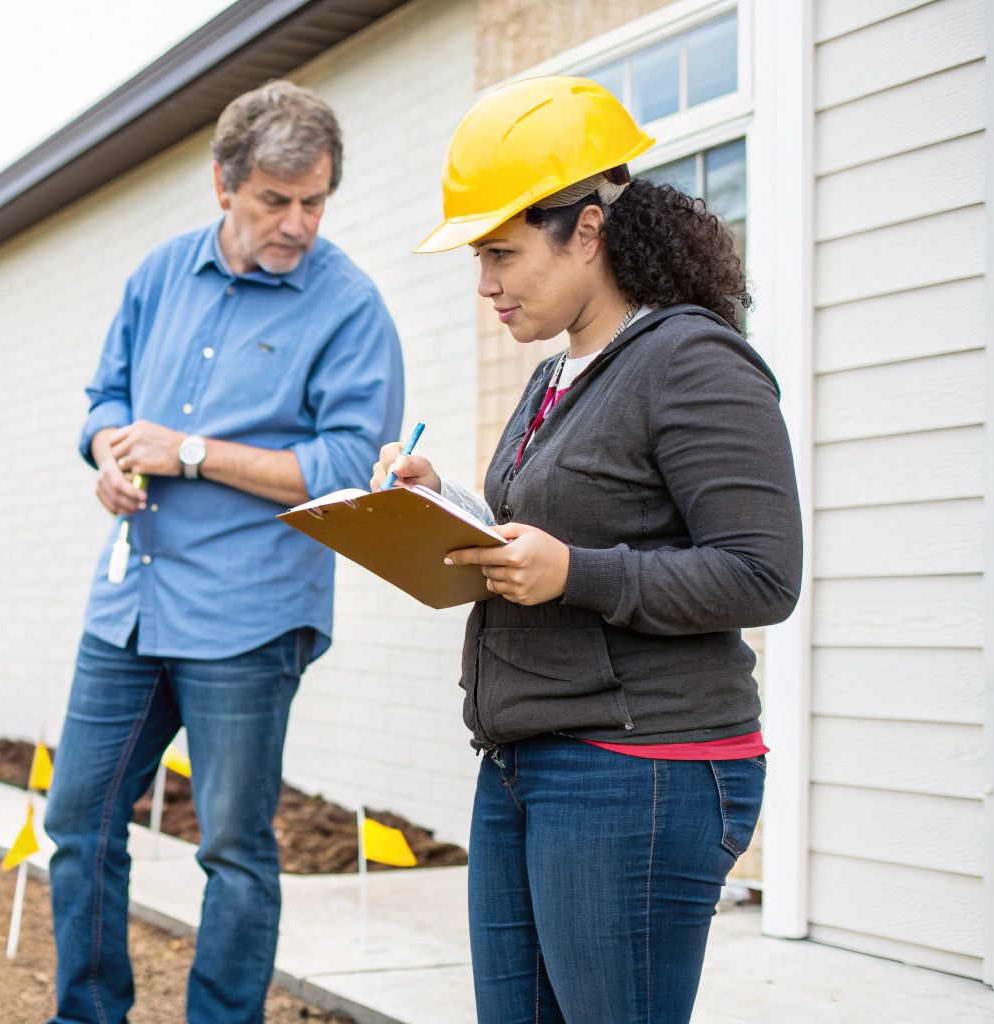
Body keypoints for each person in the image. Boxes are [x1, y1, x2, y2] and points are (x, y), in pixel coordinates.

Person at [373, 76, 801, 1023]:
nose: (485, 284)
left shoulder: (692, 360)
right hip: (527, 757)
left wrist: (575, 572)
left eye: (501, 254)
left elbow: (763, 573)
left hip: (642, 769)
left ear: (590, 231)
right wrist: (442, 504)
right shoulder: (559, 373)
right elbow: (573, 523)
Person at [45, 80, 404, 1024]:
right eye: (274, 200)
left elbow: (349, 467)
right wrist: (108, 454)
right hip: (129, 604)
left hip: (250, 617)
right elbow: (105, 398)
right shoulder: (159, 274)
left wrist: (192, 453)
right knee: (79, 822)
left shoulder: (350, 306)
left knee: (233, 847)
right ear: (223, 185)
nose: (297, 222)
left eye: (314, 201)